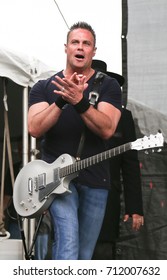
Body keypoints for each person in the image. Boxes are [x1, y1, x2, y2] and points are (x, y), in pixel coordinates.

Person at [28, 21, 122, 260]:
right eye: (75, 42)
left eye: (86, 43)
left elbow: (107, 129)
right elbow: (34, 128)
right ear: (66, 48)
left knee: (83, 256)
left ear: (93, 51)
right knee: (68, 245)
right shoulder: (44, 87)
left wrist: (80, 101)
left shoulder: (109, 86)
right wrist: (61, 101)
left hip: (95, 179)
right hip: (57, 180)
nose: (80, 47)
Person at [91, 60, 144, 259]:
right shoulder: (71, 111)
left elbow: (130, 164)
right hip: (72, 193)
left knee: (102, 252)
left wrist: (134, 207)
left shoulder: (123, 117)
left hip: (106, 197)